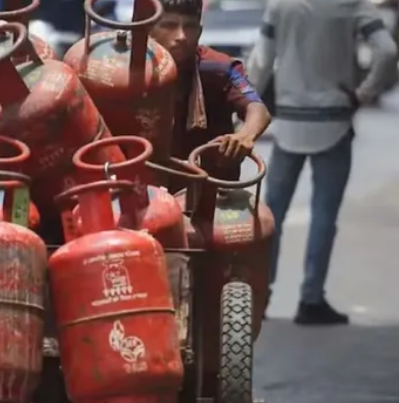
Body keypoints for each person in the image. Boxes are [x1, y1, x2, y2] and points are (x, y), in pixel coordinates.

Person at [247, 0, 397, 325]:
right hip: (334, 122)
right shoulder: (352, 5)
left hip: (289, 122)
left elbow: (261, 62)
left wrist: (247, 109)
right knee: (324, 216)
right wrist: (365, 92)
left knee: (272, 213)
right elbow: (386, 51)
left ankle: (261, 295)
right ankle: (311, 298)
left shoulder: (280, 5)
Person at [149, 0, 271, 179]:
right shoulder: (127, 68)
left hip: (211, 183)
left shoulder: (219, 67)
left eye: (190, 27)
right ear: (149, 30)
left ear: (199, 32)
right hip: (145, 184)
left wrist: (245, 136)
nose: (181, 36)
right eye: (169, 25)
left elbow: (257, 108)